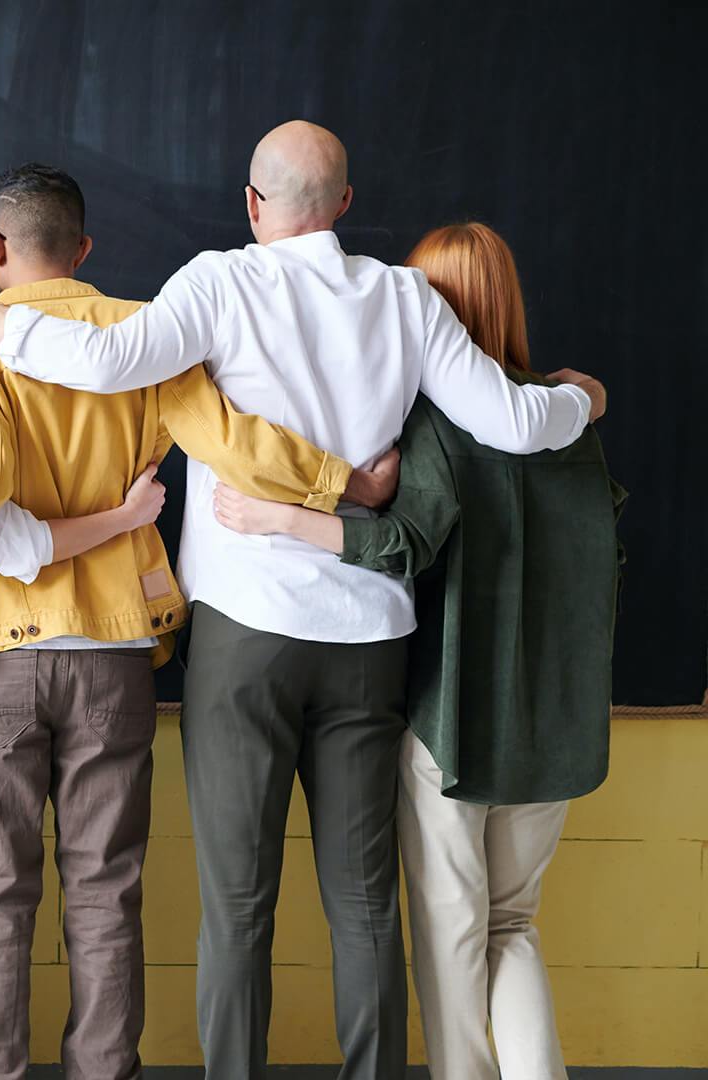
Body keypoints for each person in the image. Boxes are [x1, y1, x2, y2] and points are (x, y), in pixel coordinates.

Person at [0, 124, 607, 1079]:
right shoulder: (405, 299)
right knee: (365, 905)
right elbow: (517, 421)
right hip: (371, 635)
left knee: (238, 902)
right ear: (346, 207)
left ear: (252, 204)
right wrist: (581, 400)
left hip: (245, 638)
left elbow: (111, 362)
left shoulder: (219, 281)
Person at [0, 163, 385, 1080]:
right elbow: (229, 439)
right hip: (113, 645)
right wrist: (342, 483)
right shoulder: (146, 333)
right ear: (84, 251)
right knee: (106, 891)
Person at [211, 222, 624, 1080]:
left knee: (451, 934)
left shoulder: (436, 425)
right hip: (556, 728)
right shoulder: (568, 424)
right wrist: (583, 396)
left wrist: (283, 517)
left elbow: (404, 543)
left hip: (455, 723)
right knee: (515, 925)